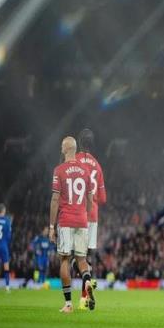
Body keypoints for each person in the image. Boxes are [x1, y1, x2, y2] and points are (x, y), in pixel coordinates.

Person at [50, 136, 94, 313]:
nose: (61, 148)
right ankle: (87, 280)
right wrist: (85, 215)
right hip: (82, 220)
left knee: (65, 259)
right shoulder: (85, 170)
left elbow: (55, 199)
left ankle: (68, 304)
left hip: (66, 220)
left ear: (67, 149)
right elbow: (90, 199)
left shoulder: (59, 170)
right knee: (82, 259)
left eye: (62, 146)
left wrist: (51, 226)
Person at [74, 128, 107, 309]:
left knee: (75, 257)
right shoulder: (97, 165)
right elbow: (103, 199)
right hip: (93, 215)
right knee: (87, 257)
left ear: (79, 143)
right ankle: (83, 298)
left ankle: (85, 286)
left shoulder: (74, 161)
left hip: (77, 213)